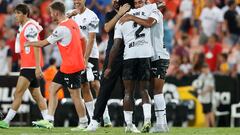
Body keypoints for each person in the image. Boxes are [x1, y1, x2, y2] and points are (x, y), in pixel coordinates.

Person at [25, 1, 87, 129]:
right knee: (52, 89)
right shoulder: (72, 23)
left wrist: (28, 44)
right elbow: (84, 40)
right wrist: (83, 59)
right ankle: (49, 120)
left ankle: (83, 122)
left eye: (51, 13)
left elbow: (43, 43)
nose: (50, 15)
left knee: (75, 95)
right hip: (67, 66)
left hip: (72, 67)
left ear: (57, 13)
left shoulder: (61, 29)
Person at [119, 0, 170, 133]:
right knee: (152, 91)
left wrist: (130, 17)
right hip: (148, 56)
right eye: (136, 3)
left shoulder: (154, 12)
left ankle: (161, 124)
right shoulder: (139, 14)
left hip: (159, 55)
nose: (139, 5)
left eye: (142, 2)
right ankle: (160, 123)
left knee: (157, 91)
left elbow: (149, 22)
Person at [84, 0, 131, 132]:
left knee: (127, 91)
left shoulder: (132, 14)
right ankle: (95, 120)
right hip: (113, 56)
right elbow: (106, 28)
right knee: (105, 88)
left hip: (129, 54)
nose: (114, 2)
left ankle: (129, 123)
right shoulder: (110, 14)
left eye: (116, 0)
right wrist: (119, 14)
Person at [0, 4, 48, 129]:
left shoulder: (30, 27)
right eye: (15, 13)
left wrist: (38, 67)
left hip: (30, 66)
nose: (15, 16)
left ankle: (6, 121)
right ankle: (48, 120)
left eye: (18, 13)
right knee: (37, 96)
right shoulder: (24, 27)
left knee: (17, 93)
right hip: (28, 65)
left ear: (25, 14)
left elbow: (36, 46)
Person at [66, 0, 112, 130]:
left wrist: (85, 59)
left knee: (95, 84)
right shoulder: (71, 15)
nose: (76, 1)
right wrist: (69, 14)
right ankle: (93, 119)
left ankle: (106, 116)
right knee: (84, 86)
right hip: (77, 55)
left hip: (91, 54)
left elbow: (91, 39)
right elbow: (57, 20)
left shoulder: (92, 16)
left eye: (79, 0)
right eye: (75, 0)